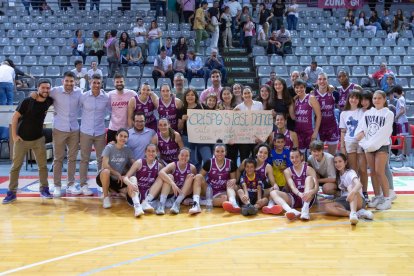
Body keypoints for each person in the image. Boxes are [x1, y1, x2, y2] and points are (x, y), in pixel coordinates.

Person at [2, 79, 54, 204]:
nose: (45, 90)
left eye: (48, 88)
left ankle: (44, 189)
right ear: (37, 88)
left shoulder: (49, 101)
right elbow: (15, 117)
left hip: (38, 139)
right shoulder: (27, 101)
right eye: (43, 88)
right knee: (15, 167)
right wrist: (14, 136)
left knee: (42, 167)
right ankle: (11, 192)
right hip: (22, 140)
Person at [44, 72, 82, 197]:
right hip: (59, 129)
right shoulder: (55, 91)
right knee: (58, 158)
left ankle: (71, 184)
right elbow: (41, 93)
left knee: (72, 158)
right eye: (67, 81)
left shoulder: (79, 92)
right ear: (62, 81)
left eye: (72, 81)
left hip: (74, 129)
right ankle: (57, 186)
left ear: (75, 82)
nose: (69, 83)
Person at [356, 90, 394, 210]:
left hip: (381, 145)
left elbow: (385, 132)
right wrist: (363, 140)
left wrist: (369, 144)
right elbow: (360, 130)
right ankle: (378, 196)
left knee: (379, 171)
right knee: (372, 172)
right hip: (368, 146)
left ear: (384, 100)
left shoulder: (388, 114)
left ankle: (387, 198)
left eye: (379, 98)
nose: (376, 100)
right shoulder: (367, 113)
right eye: (374, 98)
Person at [78, 74, 109, 196]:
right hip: (85, 131)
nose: (96, 85)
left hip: (100, 132)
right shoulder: (83, 96)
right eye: (94, 83)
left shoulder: (105, 97)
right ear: (90, 83)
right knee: (84, 159)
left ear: (101, 83)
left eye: (98, 83)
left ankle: (101, 184)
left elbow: (112, 110)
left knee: (101, 159)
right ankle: (83, 184)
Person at [268, 149, 319, 220]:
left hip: (308, 198)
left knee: (309, 178)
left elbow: (316, 188)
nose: (294, 159)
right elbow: (292, 187)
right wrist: (300, 194)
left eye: (297, 157)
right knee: (273, 193)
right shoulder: (287, 171)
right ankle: (290, 211)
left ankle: (305, 209)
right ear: (289, 158)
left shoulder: (309, 169)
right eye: (292, 157)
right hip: (295, 197)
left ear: (301, 157)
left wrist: (311, 192)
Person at [323, 153, 374, 225]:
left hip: (358, 200)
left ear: (345, 162)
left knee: (351, 187)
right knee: (327, 207)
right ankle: (355, 214)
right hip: (346, 199)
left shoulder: (350, 172)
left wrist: (352, 193)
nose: (338, 164)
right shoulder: (339, 174)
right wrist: (333, 199)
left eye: (340, 161)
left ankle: (353, 212)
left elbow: (359, 184)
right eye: (335, 162)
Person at [193, 141, 238, 214]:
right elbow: (200, 177)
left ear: (226, 152)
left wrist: (234, 180)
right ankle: (195, 204)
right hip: (209, 190)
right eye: (217, 151)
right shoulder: (209, 162)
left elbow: (233, 179)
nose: (220, 153)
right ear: (214, 152)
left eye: (222, 151)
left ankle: (202, 202)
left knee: (226, 199)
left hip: (221, 191)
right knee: (198, 176)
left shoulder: (230, 163)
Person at [339, 90, 369, 201]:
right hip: (349, 142)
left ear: (359, 100)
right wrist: (342, 146)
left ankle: (365, 192)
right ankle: (355, 192)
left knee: (363, 169)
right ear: (348, 99)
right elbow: (343, 130)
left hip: (361, 142)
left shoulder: (364, 111)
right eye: (352, 97)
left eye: (356, 98)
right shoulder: (343, 113)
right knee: (353, 170)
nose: (354, 100)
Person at [97, 128, 135, 208]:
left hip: (118, 180)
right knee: (106, 171)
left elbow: (134, 164)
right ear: (116, 136)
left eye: (125, 137)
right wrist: (117, 173)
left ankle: (114, 190)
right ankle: (106, 198)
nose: (123, 138)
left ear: (127, 139)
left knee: (127, 192)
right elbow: (105, 165)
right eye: (121, 136)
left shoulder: (128, 150)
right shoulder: (109, 147)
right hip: (105, 176)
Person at [123, 143, 163, 217]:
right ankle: (137, 206)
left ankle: (146, 203)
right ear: (145, 152)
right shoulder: (139, 162)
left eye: (153, 151)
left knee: (161, 178)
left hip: (149, 196)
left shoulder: (159, 166)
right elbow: (125, 178)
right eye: (149, 151)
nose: (151, 153)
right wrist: (130, 184)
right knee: (132, 178)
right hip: (136, 193)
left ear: (156, 153)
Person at [154, 148, 197, 214]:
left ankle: (177, 204)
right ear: (178, 156)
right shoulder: (173, 165)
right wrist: (173, 183)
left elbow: (194, 184)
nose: (184, 157)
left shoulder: (192, 168)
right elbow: (161, 172)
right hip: (173, 191)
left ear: (189, 157)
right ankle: (161, 205)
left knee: (191, 176)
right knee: (169, 176)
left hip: (183, 193)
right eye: (182, 155)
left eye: (186, 155)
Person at [312, 73, 339, 155]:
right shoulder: (312, 94)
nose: (322, 81)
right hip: (319, 129)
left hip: (332, 127)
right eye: (320, 79)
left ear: (328, 80)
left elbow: (341, 107)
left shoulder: (334, 93)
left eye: (324, 79)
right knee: (318, 155)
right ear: (317, 81)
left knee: (332, 155)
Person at [234, 86, 264, 162]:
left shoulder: (259, 104)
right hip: (244, 138)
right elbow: (235, 124)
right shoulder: (238, 107)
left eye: (248, 93)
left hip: (256, 137)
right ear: (242, 95)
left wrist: (260, 136)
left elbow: (262, 121)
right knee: (244, 159)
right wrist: (232, 113)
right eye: (245, 93)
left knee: (257, 159)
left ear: (252, 93)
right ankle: (244, 174)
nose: (247, 95)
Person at [107, 74, 137, 143]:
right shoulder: (110, 95)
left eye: (121, 81)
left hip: (127, 129)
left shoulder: (132, 94)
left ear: (124, 82)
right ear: (114, 83)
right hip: (113, 128)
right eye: (117, 82)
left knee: (126, 151)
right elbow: (109, 109)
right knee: (111, 151)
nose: (119, 83)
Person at [294, 79, 321, 153]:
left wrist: (315, 132)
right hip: (299, 133)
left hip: (310, 132)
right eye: (297, 87)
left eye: (301, 87)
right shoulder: (295, 101)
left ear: (305, 88)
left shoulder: (311, 98)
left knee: (312, 156)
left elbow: (319, 116)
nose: (299, 89)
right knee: (301, 156)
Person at [392, 85, 409, 161]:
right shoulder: (401, 99)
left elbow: (402, 111)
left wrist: (396, 117)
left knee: (403, 139)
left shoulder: (400, 99)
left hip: (402, 121)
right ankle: (403, 154)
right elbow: (401, 109)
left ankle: (404, 155)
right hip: (401, 121)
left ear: (396, 92)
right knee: (402, 139)